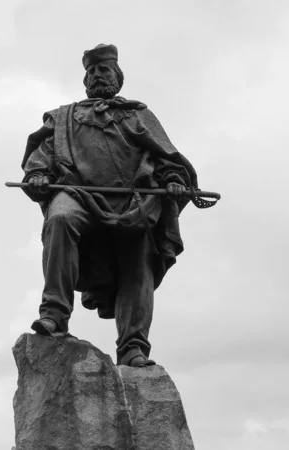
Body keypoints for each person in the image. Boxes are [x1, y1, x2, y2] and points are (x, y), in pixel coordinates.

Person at [21, 44, 198, 367]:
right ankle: (54, 316)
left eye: (104, 70)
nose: (97, 76)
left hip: (134, 201)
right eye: (91, 72)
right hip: (76, 193)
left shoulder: (138, 114)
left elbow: (166, 156)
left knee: (139, 256)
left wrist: (173, 177)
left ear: (118, 78)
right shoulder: (64, 117)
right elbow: (41, 153)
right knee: (59, 218)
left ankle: (133, 346)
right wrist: (37, 173)